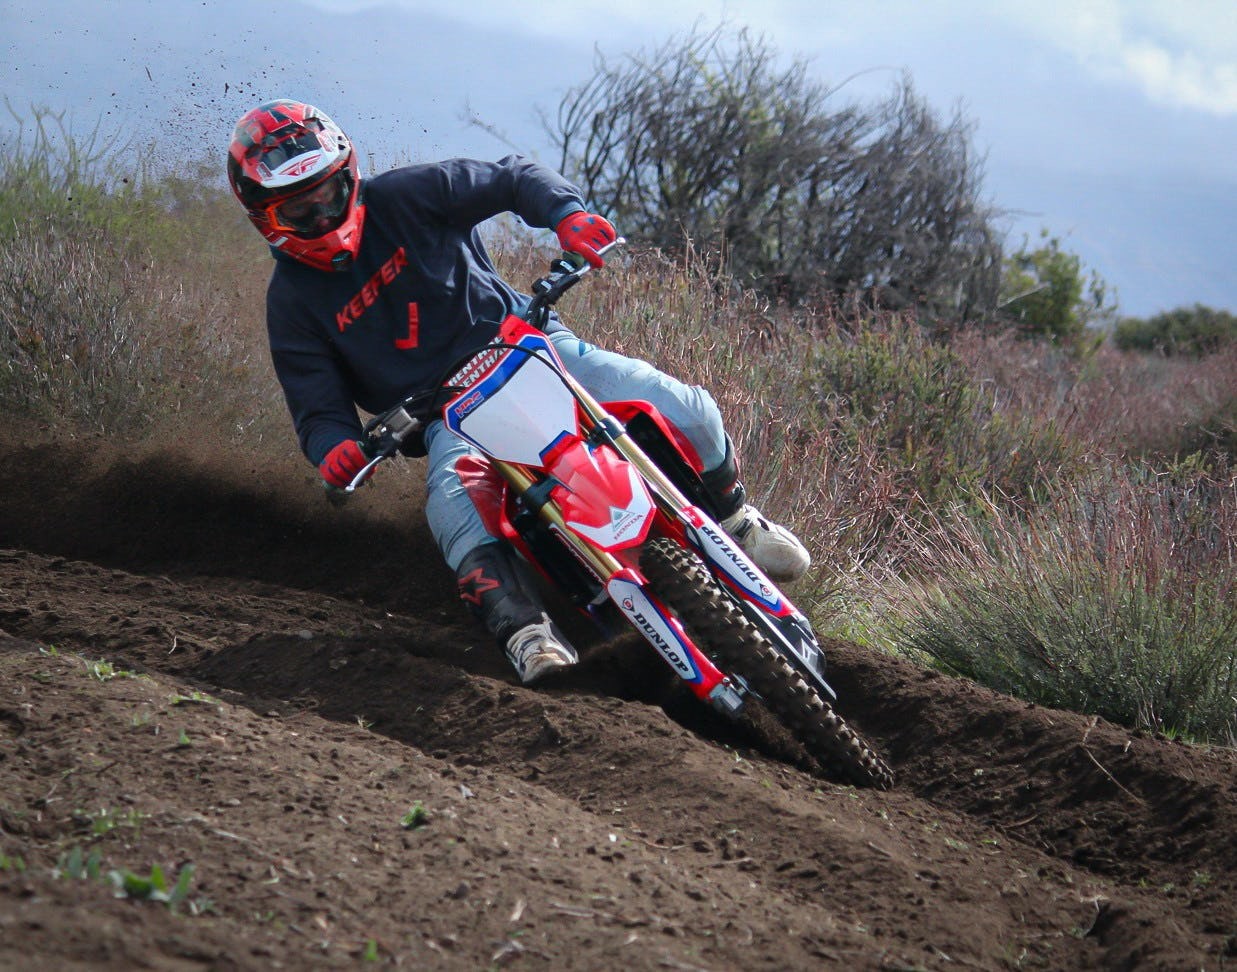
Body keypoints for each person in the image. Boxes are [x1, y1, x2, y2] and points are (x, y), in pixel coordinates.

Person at [226, 99, 810, 685]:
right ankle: (528, 634)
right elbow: (316, 406)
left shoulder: (409, 194)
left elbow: (510, 177)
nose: (322, 212)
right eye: (301, 208)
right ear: (266, 217)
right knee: (452, 507)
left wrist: (567, 215)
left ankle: (736, 526)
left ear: (349, 174)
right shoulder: (292, 303)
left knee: (678, 402)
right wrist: (335, 449)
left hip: (533, 347)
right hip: (447, 417)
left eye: (329, 193)